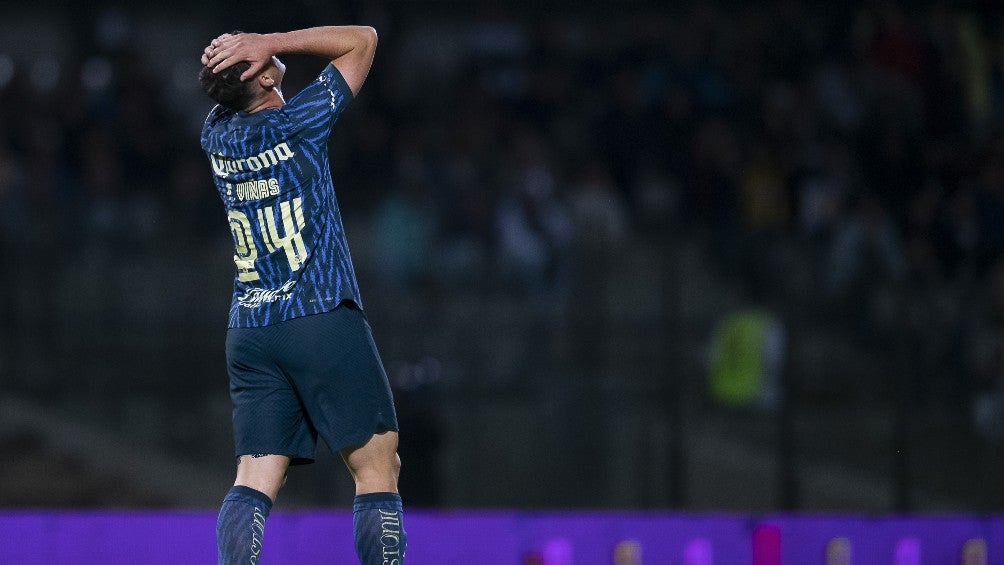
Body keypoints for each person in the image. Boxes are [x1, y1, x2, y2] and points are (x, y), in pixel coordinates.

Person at [198, 26, 405, 564]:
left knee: (255, 475)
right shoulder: (301, 121)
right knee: (378, 465)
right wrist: (270, 40)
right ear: (264, 74)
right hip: (319, 314)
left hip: (251, 328)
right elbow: (363, 39)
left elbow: (227, 97)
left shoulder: (217, 136)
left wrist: (232, 61)